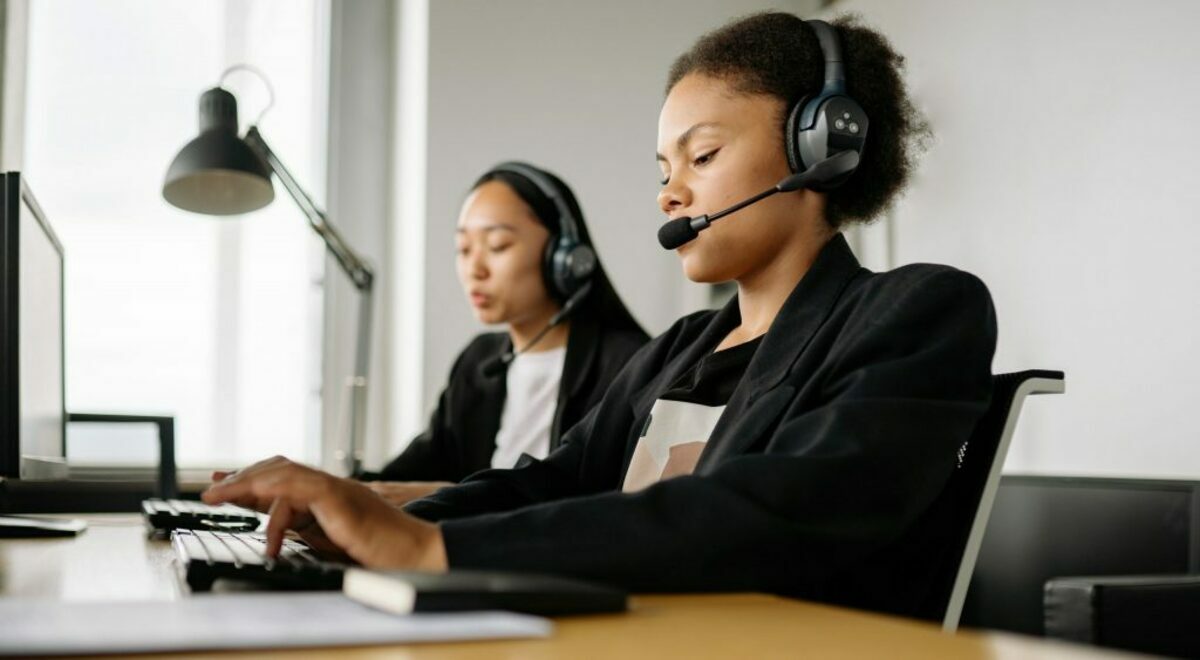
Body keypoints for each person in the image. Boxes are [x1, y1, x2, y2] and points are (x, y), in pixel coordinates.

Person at [204, 13, 997, 618]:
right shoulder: (686, 346)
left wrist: (431, 546)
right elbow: (554, 484)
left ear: (821, 146)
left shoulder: (918, 311)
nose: (670, 193)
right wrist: (366, 517)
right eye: (664, 167)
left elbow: (775, 514)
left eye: (703, 156)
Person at [359, 162, 648, 505]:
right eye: (463, 249)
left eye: (497, 246)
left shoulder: (631, 366)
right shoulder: (480, 361)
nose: (474, 270)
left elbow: (600, 507)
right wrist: (328, 491)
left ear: (565, 258)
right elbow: (405, 475)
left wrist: (451, 497)